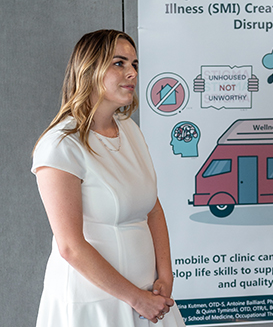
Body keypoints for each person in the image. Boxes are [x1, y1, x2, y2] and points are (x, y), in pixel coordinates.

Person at [32, 29, 186, 326]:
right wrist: (135, 297)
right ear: (89, 70)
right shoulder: (61, 145)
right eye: (119, 63)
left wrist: (165, 277)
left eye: (135, 64)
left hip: (146, 298)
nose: (132, 73)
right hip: (95, 304)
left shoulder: (129, 130)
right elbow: (70, 246)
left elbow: (152, 207)